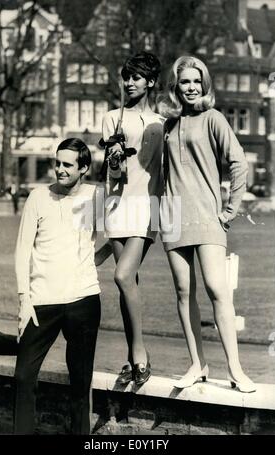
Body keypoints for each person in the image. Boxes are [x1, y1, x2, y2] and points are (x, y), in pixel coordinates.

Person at [159, 56, 256, 393]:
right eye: (185, 82)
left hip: (207, 215)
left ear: (204, 84)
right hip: (172, 217)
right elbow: (158, 174)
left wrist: (230, 210)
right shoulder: (168, 124)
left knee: (217, 289)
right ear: (175, 85)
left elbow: (239, 162)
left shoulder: (213, 118)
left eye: (196, 82)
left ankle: (235, 369)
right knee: (184, 292)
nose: (191, 87)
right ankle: (197, 365)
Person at [14, 138, 101, 434]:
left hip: (84, 300)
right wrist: (24, 299)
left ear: (84, 168)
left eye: (67, 165)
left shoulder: (96, 198)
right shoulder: (38, 197)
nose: (60, 170)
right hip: (41, 303)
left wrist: (92, 260)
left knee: (80, 384)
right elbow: (22, 250)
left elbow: (123, 240)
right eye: (57, 163)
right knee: (24, 376)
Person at [101, 51, 164, 386]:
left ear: (150, 82)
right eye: (126, 77)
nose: (129, 83)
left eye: (136, 77)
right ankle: (133, 358)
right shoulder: (112, 118)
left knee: (123, 276)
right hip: (115, 206)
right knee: (129, 286)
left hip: (146, 205)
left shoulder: (161, 123)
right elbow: (113, 173)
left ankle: (139, 353)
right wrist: (114, 159)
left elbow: (165, 172)